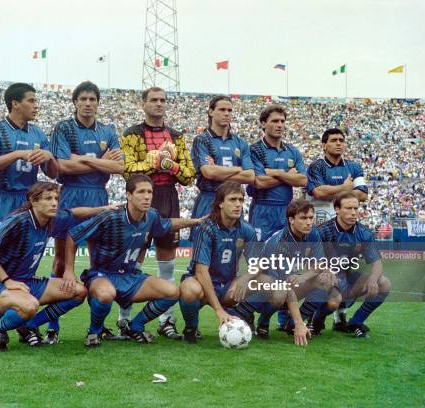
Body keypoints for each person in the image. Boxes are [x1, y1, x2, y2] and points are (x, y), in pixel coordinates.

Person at [64, 174, 203, 347]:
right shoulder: (111, 216)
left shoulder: (151, 216)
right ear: (128, 195)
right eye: (141, 192)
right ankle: (94, 331)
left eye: (150, 192)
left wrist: (195, 222)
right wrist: (68, 270)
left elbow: (168, 224)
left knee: (172, 291)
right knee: (105, 294)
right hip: (102, 276)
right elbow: (73, 235)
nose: (147, 196)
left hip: (130, 276)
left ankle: (136, 326)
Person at [0, 182, 114, 352]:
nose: (54, 202)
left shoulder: (53, 220)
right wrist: (7, 280)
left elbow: (75, 213)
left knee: (78, 291)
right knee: (30, 306)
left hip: (26, 283)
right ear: (33, 201)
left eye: (56, 198)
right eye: (48, 199)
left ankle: (29, 325)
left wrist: (104, 208)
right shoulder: (18, 221)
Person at [0, 83, 58, 348]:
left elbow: (53, 173)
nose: (36, 105)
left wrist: (49, 156)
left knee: (23, 260)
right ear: (14, 103)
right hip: (1, 198)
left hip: (27, 200)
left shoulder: (39, 134)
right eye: (31, 101)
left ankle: (17, 322)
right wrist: (17, 154)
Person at [177, 182, 308, 344]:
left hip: (228, 286)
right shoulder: (207, 228)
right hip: (203, 286)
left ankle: (244, 314)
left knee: (272, 285)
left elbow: (259, 264)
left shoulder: (247, 230)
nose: (238, 204)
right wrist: (219, 310)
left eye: (241, 199)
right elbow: (201, 272)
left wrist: (246, 277)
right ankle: (191, 328)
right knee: (189, 289)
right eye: (233, 200)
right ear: (220, 204)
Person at [46, 81, 123, 344]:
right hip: (70, 194)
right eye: (83, 99)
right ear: (75, 102)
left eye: (93, 99)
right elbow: (62, 166)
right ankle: (51, 325)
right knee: (59, 261)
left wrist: (83, 159)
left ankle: (96, 326)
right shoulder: (64, 128)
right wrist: (101, 162)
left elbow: (120, 168)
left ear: (98, 103)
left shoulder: (108, 130)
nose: (88, 103)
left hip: (99, 195)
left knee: (98, 263)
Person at [117, 87, 195, 339]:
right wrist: (153, 162)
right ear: (143, 104)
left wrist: (169, 164)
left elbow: (188, 176)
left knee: (167, 263)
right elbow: (128, 171)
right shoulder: (132, 134)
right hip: (141, 197)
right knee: (132, 260)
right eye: (153, 100)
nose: (159, 104)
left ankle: (166, 320)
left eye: (162, 100)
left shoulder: (176, 136)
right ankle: (124, 320)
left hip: (168, 197)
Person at [242, 199, 339, 339]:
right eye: (303, 218)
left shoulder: (313, 234)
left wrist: (308, 276)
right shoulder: (279, 241)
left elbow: (319, 264)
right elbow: (281, 284)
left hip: (291, 282)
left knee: (326, 281)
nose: (309, 222)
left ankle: (292, 325)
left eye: (311, 218)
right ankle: (262, 320)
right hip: (266, 289)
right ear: (291, 219)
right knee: (280, 293)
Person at [305, 128, 368, 327]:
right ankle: (291, 319)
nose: (339, 143)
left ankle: (340, 315)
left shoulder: (354, 167)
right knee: (318, 275)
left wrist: (335, 191)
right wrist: (345, 188)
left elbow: (363, 194)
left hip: (344, 229)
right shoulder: (316, 167)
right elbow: (318, 191)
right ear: (324, 145)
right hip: (320, 230)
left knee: (346, 273)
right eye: (334, 140)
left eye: (342, 140)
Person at [317, 192, 391, 337]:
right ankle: (317, 320)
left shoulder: (364, 233)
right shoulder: (323, 231)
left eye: (356, 208)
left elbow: (377, 263)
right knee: (333, 301)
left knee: (384, 283)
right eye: (348, 208)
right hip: (324, 279)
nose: (353, 213)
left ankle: (355, 322)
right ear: (337, 209)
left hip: (347, 277)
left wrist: (373, 278)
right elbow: (312, 261)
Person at [189, 95, 255, 242]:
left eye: (229, 110)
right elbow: (208, 172)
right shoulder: (202, 140)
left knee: (234, 252)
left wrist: (218, 172)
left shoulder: (240, 143)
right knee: (203, 250)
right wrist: (238, 169)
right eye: (222, 110)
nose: (227, 113)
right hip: (209, 199)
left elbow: (250, 176)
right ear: (211, 112)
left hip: (234, 200)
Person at [248, 104, 307, 242]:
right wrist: (288, 174)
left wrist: (276, 173)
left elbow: (303, 180)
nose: (280, 125)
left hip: (287, 209)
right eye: (275, 121)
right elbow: (259, 182)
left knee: (286, 256)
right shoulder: (255, 150)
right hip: (262, 209)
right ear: (263, 124)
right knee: (260, 256)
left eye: (282, 121)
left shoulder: (292, 151)